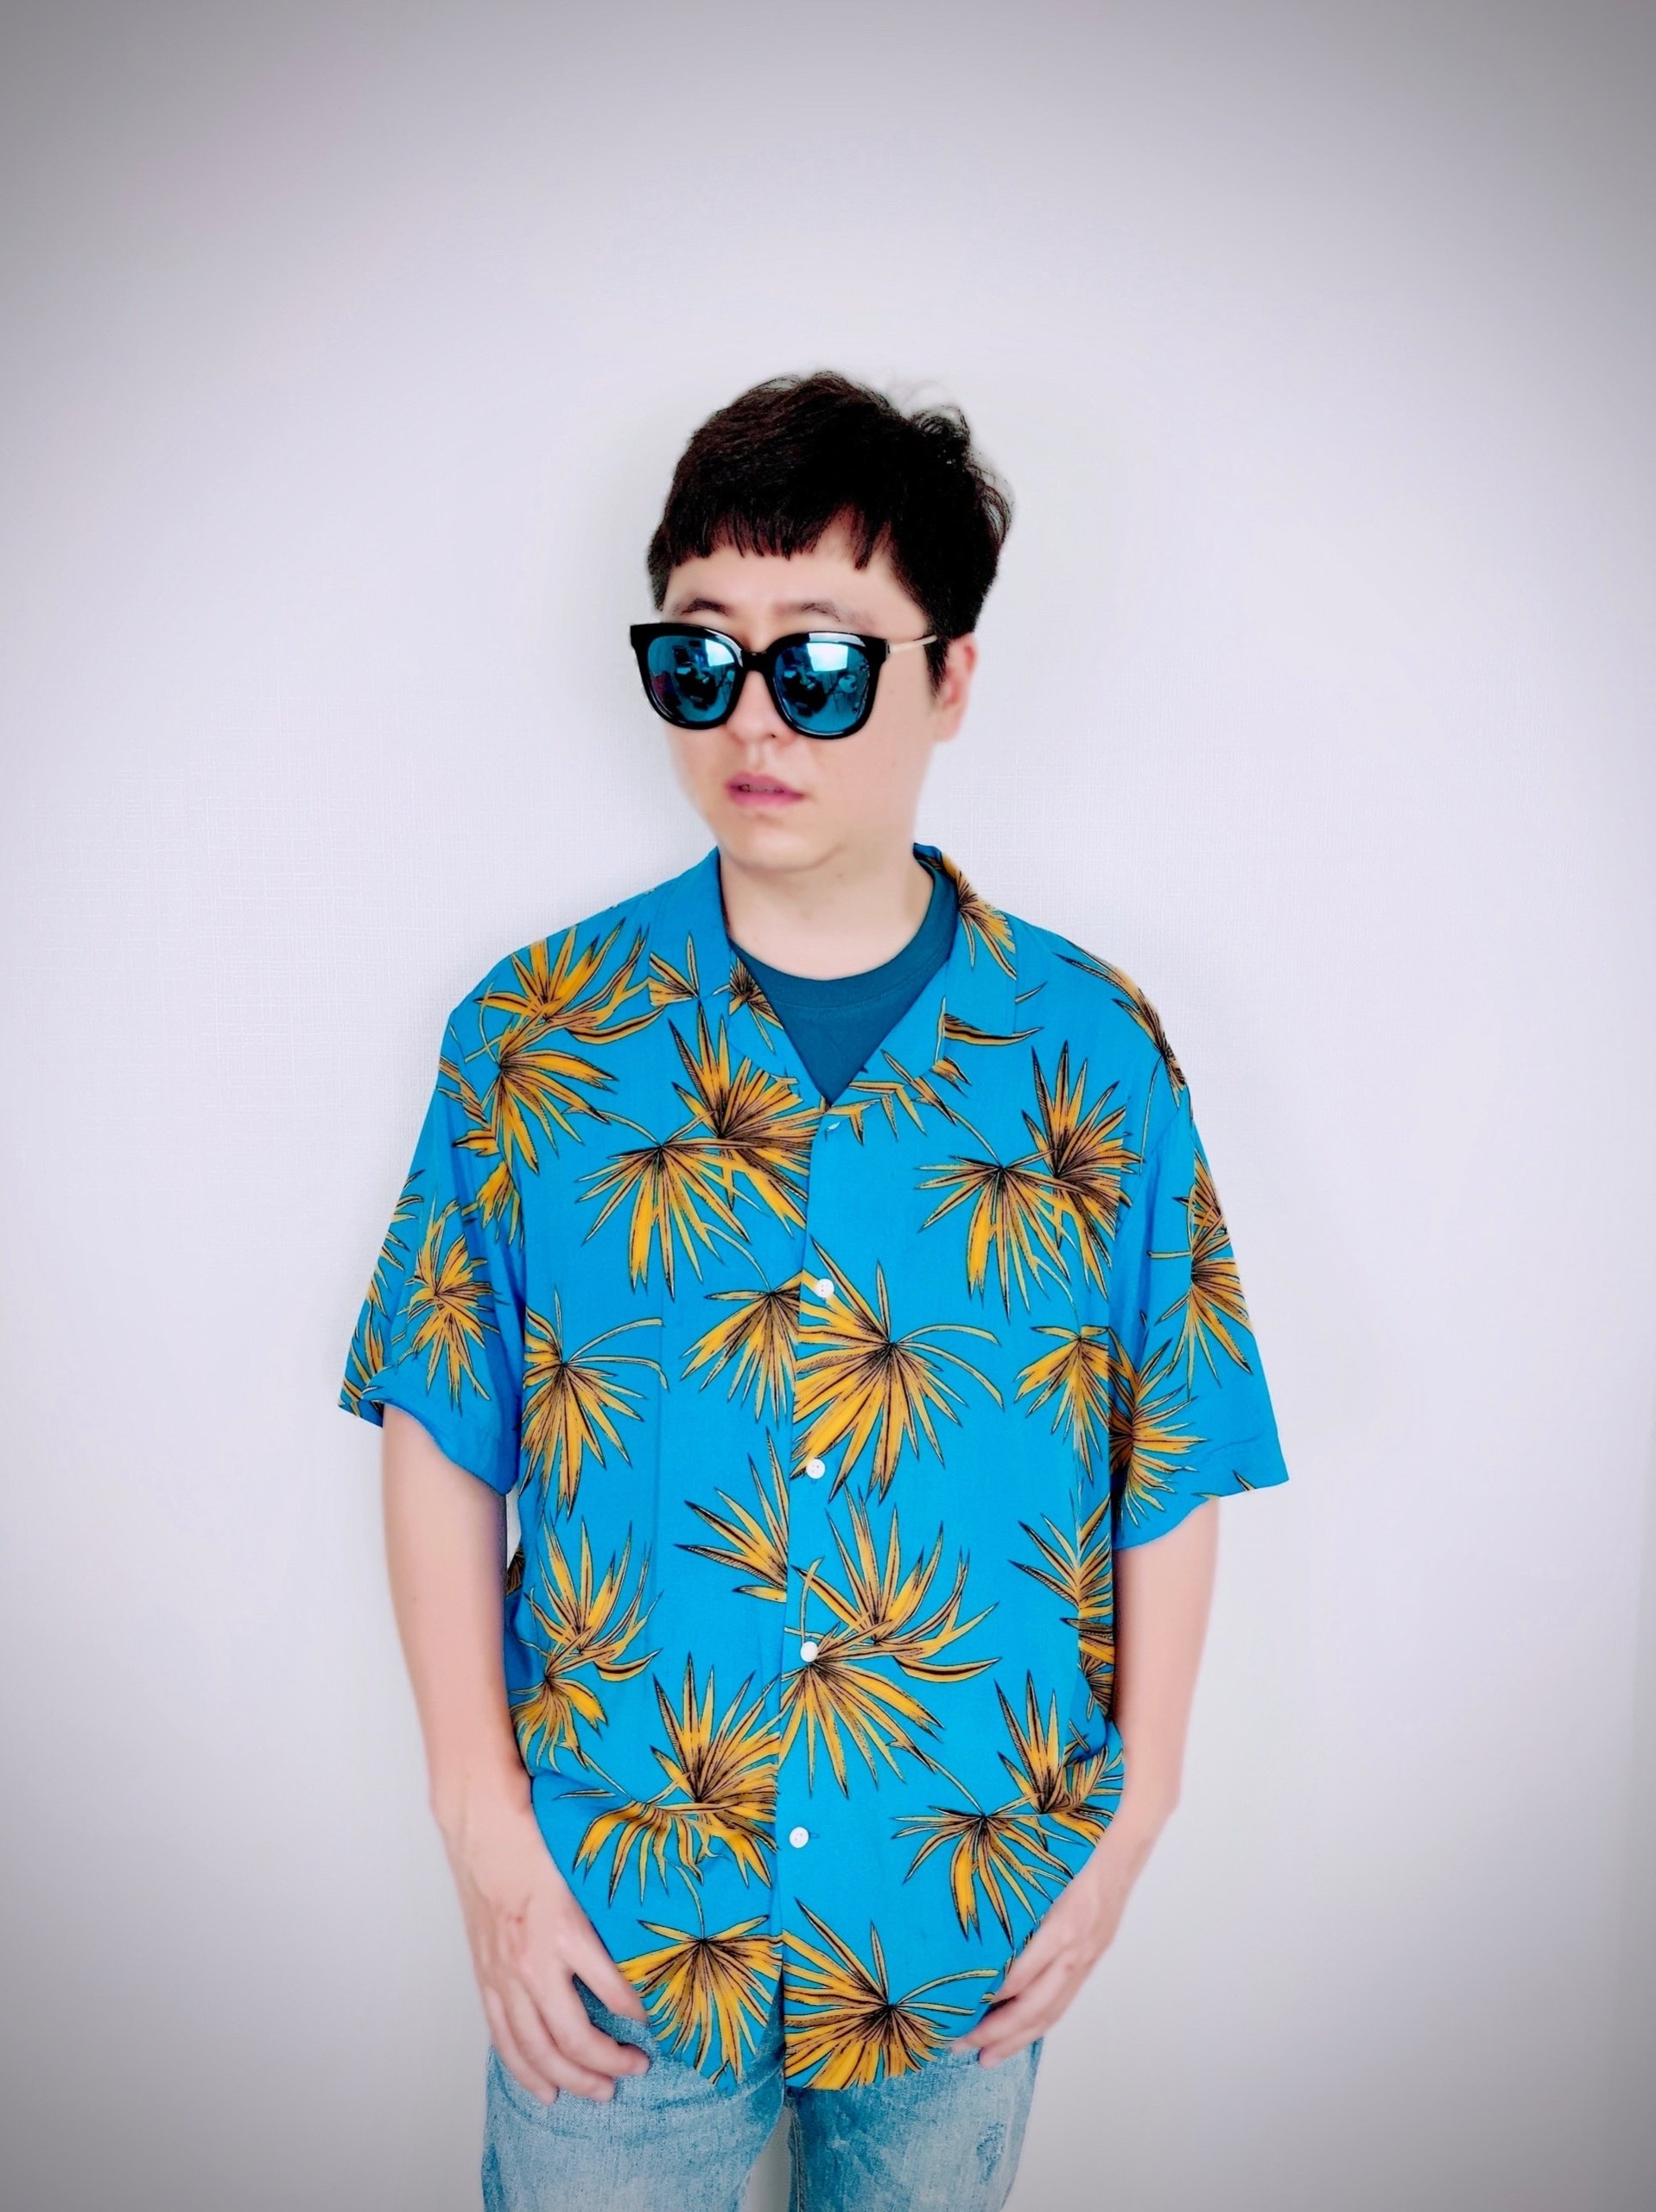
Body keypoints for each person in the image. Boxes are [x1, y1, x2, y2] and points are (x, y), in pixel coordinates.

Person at [339, 370, 1291, 2212]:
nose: (754, 718)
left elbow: (1171, 1438)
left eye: (824, 660)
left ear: (950, 678)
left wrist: (1137, 1814)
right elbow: (442, 1418)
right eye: (702, 655)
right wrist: (481, 1830)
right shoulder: (533, 1038)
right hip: (616, 1926)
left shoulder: (1091, 1051)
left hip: (974, 1915)